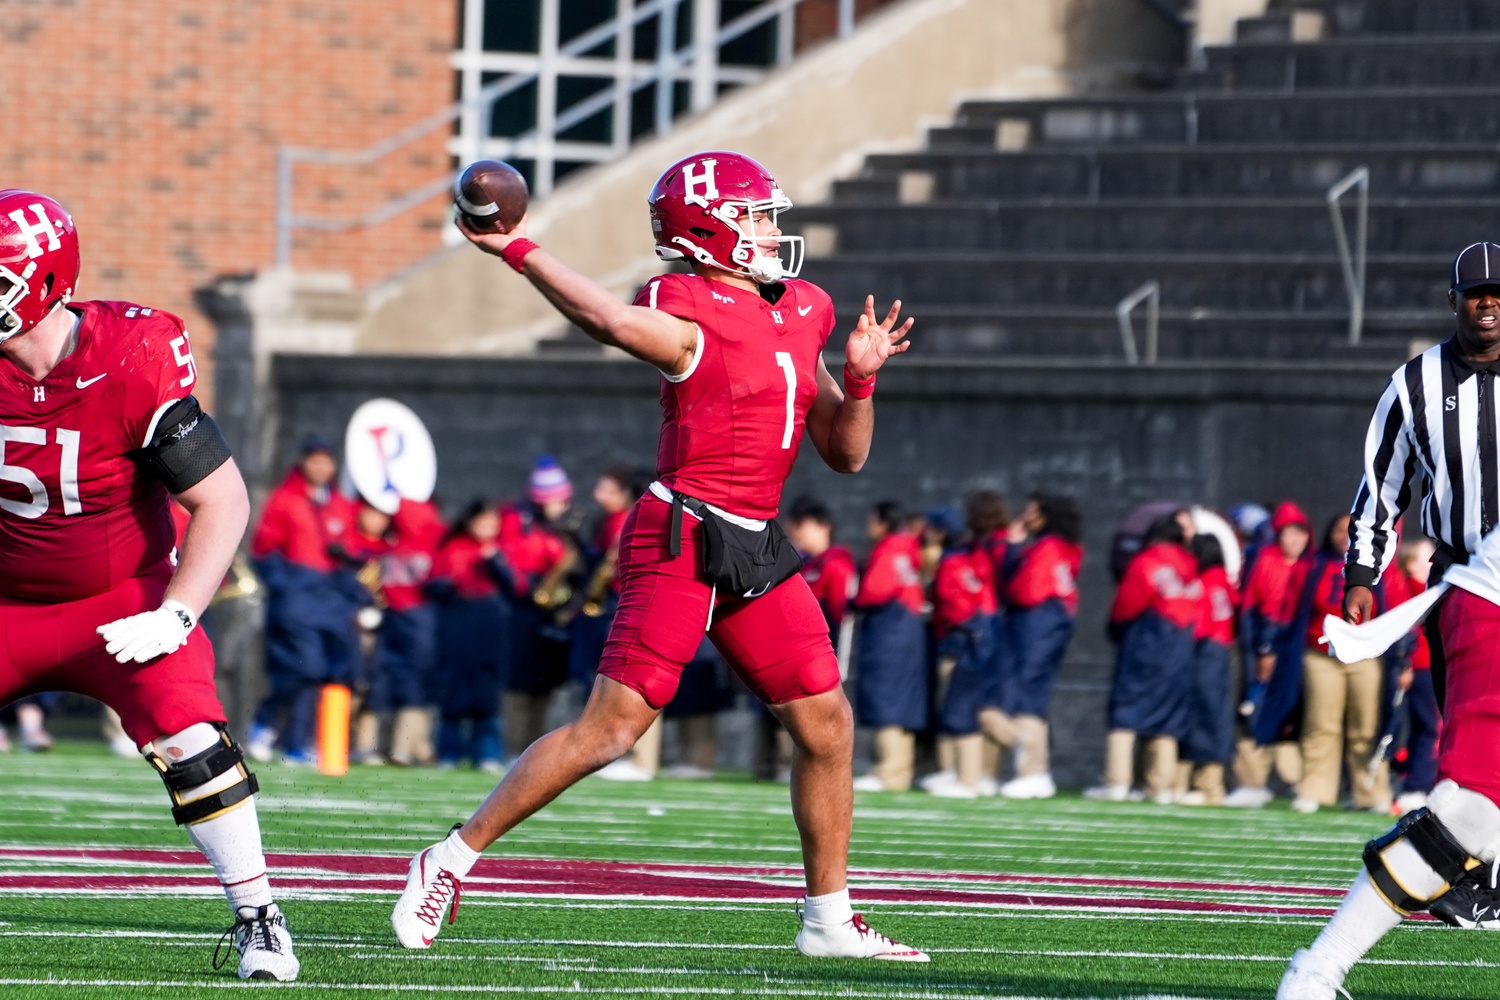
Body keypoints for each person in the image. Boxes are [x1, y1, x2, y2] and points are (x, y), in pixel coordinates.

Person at [392, 151, 924, 960]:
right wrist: (518, 247)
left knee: (827, 724)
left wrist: (859, 385)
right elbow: (607, 320)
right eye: (755, 216)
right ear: (709, 228)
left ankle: (828, 920)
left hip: (758, 537)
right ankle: (450, 857)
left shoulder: (803, 307)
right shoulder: (684, 303)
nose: (773, 229)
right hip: (681, 531)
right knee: (612, 732)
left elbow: (843, 455)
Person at [0, 190, 297, 978]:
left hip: (121, 599)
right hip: (5, 605)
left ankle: (259, 916)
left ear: (45, 281)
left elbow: (221, 497)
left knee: (192, 738)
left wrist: (178, 612)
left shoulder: (127, 356)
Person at [1279, 243, 1500, 997]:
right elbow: (1380, 489)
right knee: (1470, 795)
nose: (1489, 303)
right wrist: (1362, 576)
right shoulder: (1417, 383)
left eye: (1498, 292)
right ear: (1454, 301)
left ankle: (1471, 874)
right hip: (1477, 588)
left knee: (1479, 802)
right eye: (1476, 294)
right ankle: (1325, 963)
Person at [1261, 514, 1393, 815]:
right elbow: (1291, 610)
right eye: (1338, 530)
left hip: (1365, 656)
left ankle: (1371, 793)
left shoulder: (1381, 570)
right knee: (1321, 724)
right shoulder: (1313, 566)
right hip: (1321, 655)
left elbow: (1395, 607)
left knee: (1366, 726)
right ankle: (1314, 790)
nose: (1344, 536)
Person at [247, 436, 364, 763]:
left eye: (327, 460)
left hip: (331, 601)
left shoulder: (340, 505)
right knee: (302, 669)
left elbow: (349, 550)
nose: (321, 467)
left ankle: (298, 744)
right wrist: (288, 586)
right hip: (297, 600)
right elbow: (263, 550)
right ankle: (264, 726)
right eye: (315, 459)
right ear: (302, 462)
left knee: (330, 672)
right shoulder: (284, 500)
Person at [1089, 510, 1200, 804]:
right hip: (1181, 648)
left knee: (1125, 714)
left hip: (1146, 643)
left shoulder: (1147, 561)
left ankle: (1117, 782)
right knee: (1167, 718)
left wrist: (1116, 631)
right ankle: (1159, 787)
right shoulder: (1190, 565)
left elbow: (1125, 605)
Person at [984, 492, 1083, 800]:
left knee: (1025, 694)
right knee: (1029, 695)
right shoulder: (1064, 547)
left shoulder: (1047, 547)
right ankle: (1029, 770)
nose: (1025, 515)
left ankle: (1033, 770)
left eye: (1031, 510)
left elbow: (1026, 590)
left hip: (1037, 623)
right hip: (1051, 623)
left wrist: (1012, 548)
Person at [1226, 500, 1310, 808]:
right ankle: (1251, 781)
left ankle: (1296, 781)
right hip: (1264, 642)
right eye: (1288, 533)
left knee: (1291, 713)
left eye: (1300, 533)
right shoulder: (1263, 560)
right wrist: (1263, 649)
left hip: (1298, 647)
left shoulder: (1310, 565)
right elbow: (1254, 608)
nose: (1294, 540)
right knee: (1253, 708)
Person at [497, 456, 579, 760]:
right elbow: (510, 559)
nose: (563, 506)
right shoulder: (516, 520)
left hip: (552, 612)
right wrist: (530, 587)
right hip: (523, 608)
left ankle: (533, 750)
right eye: (558, 500)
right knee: (519, 684)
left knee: (545, 685)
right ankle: (513, 748)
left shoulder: (559, 529)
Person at [927, 492, 1007, 799]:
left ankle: (967, 777)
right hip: (985, 636)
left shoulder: (953, 560)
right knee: (970, 708)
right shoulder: (977, 555)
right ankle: (974, 774)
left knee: (960, 709)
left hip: (961, 640)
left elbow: (951, 603)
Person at [851, 500, 929, 794]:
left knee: (886, 700)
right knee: (902, 703)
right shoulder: (909, 549)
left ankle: (887, 772)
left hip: (889, 634)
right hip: (908, 633)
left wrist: (854, 602)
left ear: (884, 522)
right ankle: (900, 773)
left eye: (873, 520)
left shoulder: (889, 548)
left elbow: (875, 590)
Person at [429, 499, 511, 772]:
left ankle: (486, 753)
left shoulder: (499, 551)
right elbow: (433, 583)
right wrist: (443, 587)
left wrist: (496, 563)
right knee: (453, 690)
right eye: (482, 523)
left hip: (490, 628)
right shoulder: (451, 549)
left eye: (492, 524)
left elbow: (516, 587)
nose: (488, 529)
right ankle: (449, 752)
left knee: (487, 692)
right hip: (457, 627)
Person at [1181, 533, 1237, 805]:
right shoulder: (1224, 579)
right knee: (1216, 714)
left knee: (1203, 715)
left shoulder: (1205, 581)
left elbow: (1199, 623)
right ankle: (1211, 784)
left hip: (1206, 650)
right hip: (1222, 649)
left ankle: (1204, 784)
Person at [1392, 538, 1440, 813]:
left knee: (1425, 728)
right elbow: (1406, 632)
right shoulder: (1410, 590)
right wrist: (1405, 665)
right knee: (1428, 728)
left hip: (1427, 664)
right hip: (1420, 665)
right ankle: (1416, 787)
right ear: (1412, 564)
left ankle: (1414, 781)